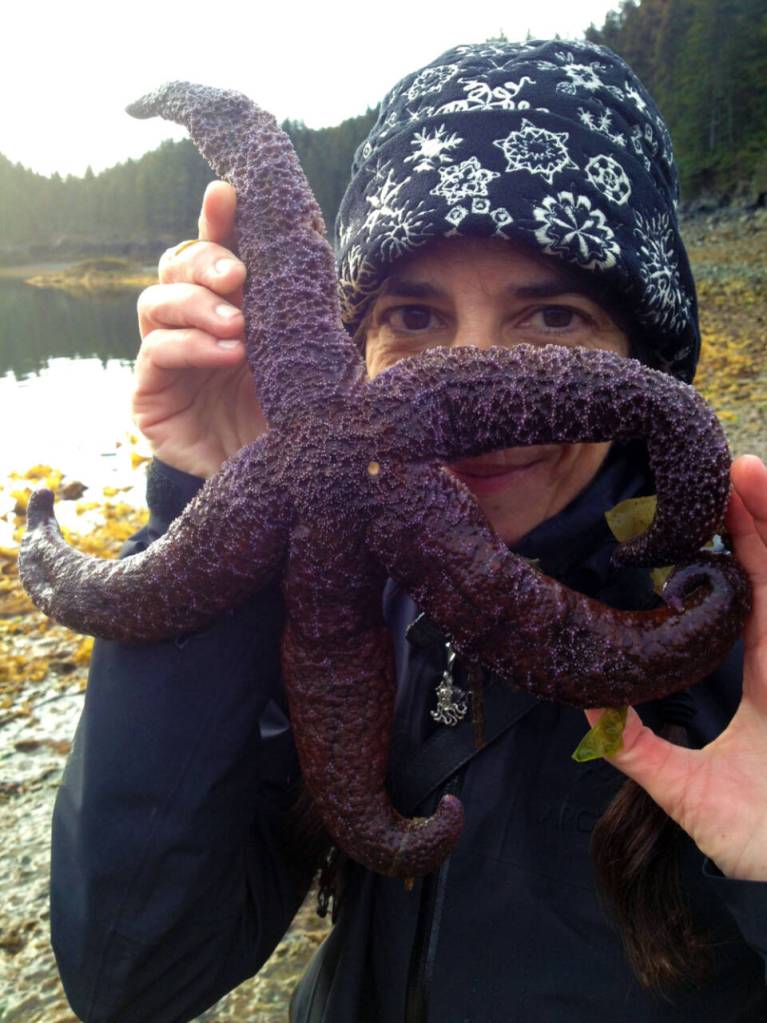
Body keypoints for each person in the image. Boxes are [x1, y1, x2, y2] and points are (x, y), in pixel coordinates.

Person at [50, 40, 767, 1022]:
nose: (467, 389)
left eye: (551, 319)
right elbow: (134, 978)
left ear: (645, 359)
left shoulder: (744, 682)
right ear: (347, 345)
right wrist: (207, 503)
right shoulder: (331, 592)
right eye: (413, 317)